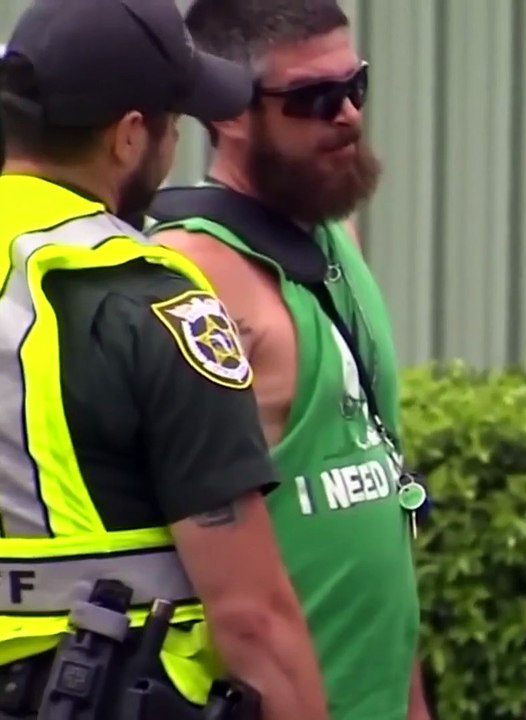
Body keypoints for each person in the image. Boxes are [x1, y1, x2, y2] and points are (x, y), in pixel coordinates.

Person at [0, 0, 330, 718]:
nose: (176, 141)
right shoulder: (153, 303)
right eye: (173, 122)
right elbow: (254, 620)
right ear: (128, 137)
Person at [143, 1, 430, 719]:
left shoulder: (335, 241)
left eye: (355, 86)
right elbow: (239, 604)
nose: (349, 116)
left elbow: (378, 515)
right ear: (229, 112)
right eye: (314, 98)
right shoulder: (187, 277)